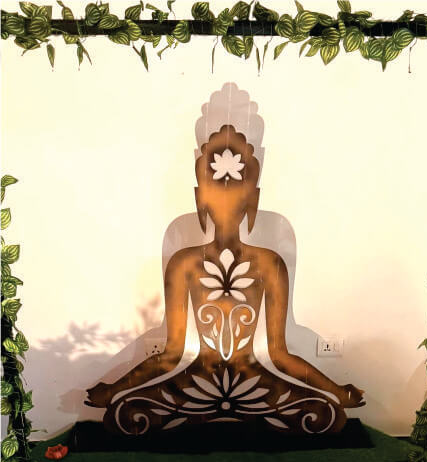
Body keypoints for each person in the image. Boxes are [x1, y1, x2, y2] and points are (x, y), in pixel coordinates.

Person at [86, 125, 364, 436]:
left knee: (322, 412)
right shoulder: (184, 263)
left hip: (253, 382)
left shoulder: (269, 263)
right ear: (199, 198)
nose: (226, 205)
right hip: (198, 381)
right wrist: (114, 390)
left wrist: (336, 391)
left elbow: (278, 354)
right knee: (129, 410)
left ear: (252, 199)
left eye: (235, 196)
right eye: (216, 195)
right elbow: (173, 353)